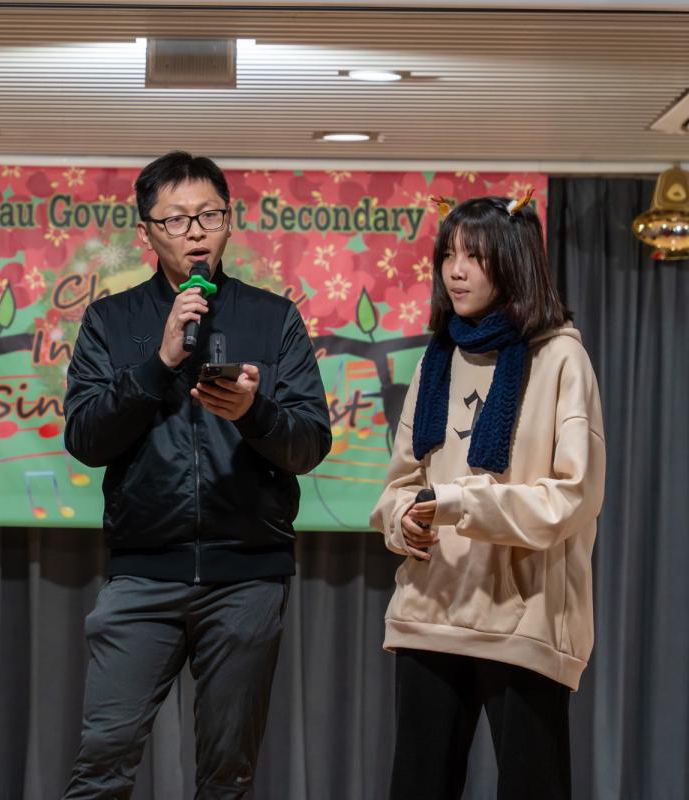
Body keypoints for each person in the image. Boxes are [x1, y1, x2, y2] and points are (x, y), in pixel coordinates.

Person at [62, 151, 331, 798]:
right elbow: (86, 439)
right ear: (147, 231)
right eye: (176, 219)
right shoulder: (112, 321)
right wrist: (157, 363)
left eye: (209, 215)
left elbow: (310, 444)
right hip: (142, 573)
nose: (195, 232)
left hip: (247, 574)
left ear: (229, 221)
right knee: (102, 762)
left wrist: (253, 412)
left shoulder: (273, 317)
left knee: (227, 774)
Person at [369, 194, 606, 800]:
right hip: (429, 614)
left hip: (523, 624)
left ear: (514, 260)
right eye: (448, 254)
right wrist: (403, 519)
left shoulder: (560, 357)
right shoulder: (438, 357)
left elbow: (570, 499)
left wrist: (456, 503)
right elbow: (399, 486)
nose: (455, 271)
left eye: (474, 256)